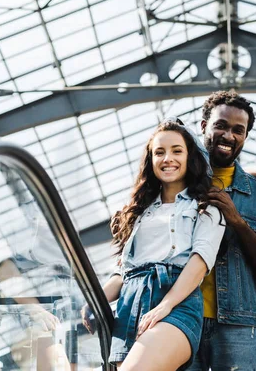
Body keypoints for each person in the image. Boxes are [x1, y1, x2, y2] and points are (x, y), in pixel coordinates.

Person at [94, 120, 226, 370]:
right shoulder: (138, 213)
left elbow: (200, 263)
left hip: (176, 301)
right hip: (129, 306)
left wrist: (166, 305)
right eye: (159, 152)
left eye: (177, 151)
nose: (168, 158)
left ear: (190, 157)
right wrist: (94, 303)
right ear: (150, 159)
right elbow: (123, 271)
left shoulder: (206, 209)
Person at [189, 90, 256, 371]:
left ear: (245, 137)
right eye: (221, 126)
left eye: (238, 130)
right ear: (204, 126)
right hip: (182, 315)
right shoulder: (179, 182)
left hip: (238, 323)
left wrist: (236, 220)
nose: (229, 136)